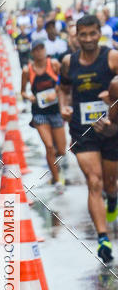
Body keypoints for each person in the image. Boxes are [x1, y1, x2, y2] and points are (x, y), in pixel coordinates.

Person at [59, 14, 118, 263]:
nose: (88, 39)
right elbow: (63, 89)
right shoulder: (68, 62)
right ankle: (103, 238)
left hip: (111, 128)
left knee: (108, 183)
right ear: (76, 36)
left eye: (93, 33)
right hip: (82, 129)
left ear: (99, 32)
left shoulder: (112, 57)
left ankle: (113, 197)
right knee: (93, 182)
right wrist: (63, 106)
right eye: (83, 34)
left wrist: (111, 99)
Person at [21, 41, 66, 191]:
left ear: (45, 50)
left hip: (55, 111)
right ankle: (57, 180)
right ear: (32, 53)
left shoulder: (53, 64)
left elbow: (63, 82)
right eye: (36, 50)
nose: (39, 52)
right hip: (39, 113)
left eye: (41, 49)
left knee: (61, 150)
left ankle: (55, 163)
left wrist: (57, 90)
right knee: (48, 147)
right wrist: (29, 97)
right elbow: (22, 92)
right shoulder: (28, 70)